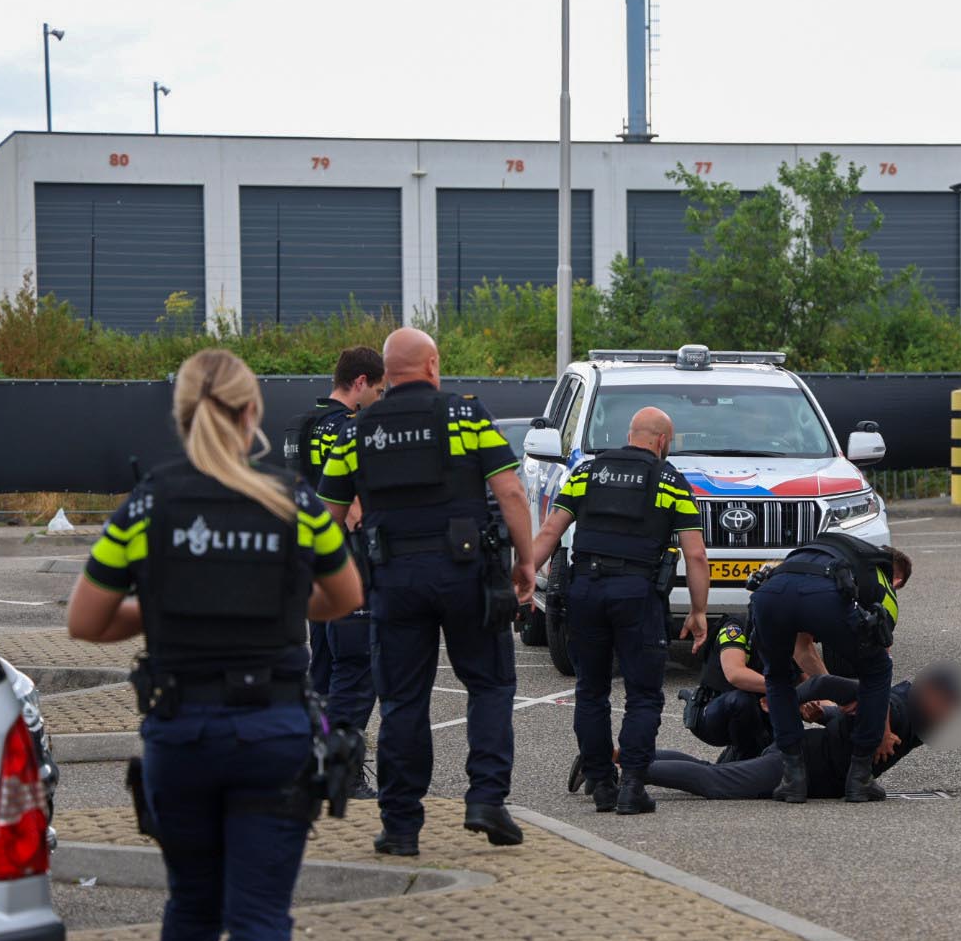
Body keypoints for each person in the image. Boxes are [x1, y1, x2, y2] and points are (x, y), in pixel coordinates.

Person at [65, 348, 364, 941]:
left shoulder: (147, 503)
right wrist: (277, 604)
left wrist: (164, 609)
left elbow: (85, 621)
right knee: (259, 915)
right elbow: (344, 598)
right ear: (252, 412)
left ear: (181, 416)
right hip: (273, 734)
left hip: (182, 732)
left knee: (193, 908)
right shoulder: (293, 499)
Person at [318, 327, 536, 855]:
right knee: (489, 684)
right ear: (433, 365)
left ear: (387, 374)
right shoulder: (465, 417)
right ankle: (486, 799)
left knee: (401, 701)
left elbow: (326, 517)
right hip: (466, 577)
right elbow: (509, 490)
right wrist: (526, 562)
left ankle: (401, 827)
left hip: (391, 581)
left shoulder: (355, 431)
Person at [527, 407, 711, 815]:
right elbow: (695, 554)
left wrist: (523, 578)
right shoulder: (670, 481)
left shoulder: (586, 473)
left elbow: (549, 532)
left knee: (590, 690)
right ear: (662, 441)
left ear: (631, 434)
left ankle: (601, 783)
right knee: (643, 695)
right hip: (637, 594)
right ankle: (631, 786)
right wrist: (699, 611)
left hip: (586, 590)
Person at [644, 665, 961, 801]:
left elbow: (851, 723)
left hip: (813, 766)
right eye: (949, 705)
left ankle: (631, 757)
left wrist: (824, 713)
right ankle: (621, 763)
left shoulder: (915, 719)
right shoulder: (895, 709)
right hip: (795, 764)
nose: (949, 715)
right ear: (932, 694)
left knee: (712, 772)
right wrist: (788, 699)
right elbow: (828, 685)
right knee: (715, 784)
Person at [749, 537, 910, 803]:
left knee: (777, 677)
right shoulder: (881, 576)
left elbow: (801, 649)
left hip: (770, 593)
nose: (895, 587)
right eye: (898, 584)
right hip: (824, 597)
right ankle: (859, 779)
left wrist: (827, 689)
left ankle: (793, 779)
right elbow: (881, 655)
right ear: (896, 576)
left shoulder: (824, 551)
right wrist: (882, 728)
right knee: (878, 670)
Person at [292, 346, 385, 799]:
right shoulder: (344, 428)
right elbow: (349, 509)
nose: (379, 400)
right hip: (344, 561)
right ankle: (345, 770)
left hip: (310, 559)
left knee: (324, 670)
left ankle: (312, 761)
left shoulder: (302, 424)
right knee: (355, 666)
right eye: (379, 390)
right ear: (362, 382)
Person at [681, 612, 834, 762]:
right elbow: (735, 674)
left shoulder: (788, 639)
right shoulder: (737, 626)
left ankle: (734, 763)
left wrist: (837, 711)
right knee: (742, 701)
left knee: (779, 760)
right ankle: (738, 763)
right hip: (715, 715)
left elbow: (811, 689)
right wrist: (789, 693)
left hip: (760, 719)